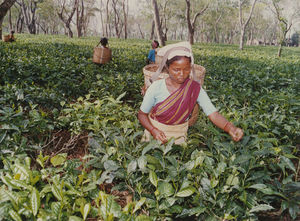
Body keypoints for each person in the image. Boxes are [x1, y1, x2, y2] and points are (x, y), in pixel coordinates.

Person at [138, 41, 244, 144]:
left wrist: (231, 128)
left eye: (186, 69)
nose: (182, 74)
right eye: (176, 69)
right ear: (167, 68)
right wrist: (153, 130)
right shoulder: (156, 87)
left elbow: (213, 114)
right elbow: (142, 114)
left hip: (178, 138)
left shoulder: (194, 88)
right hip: (153, 137)